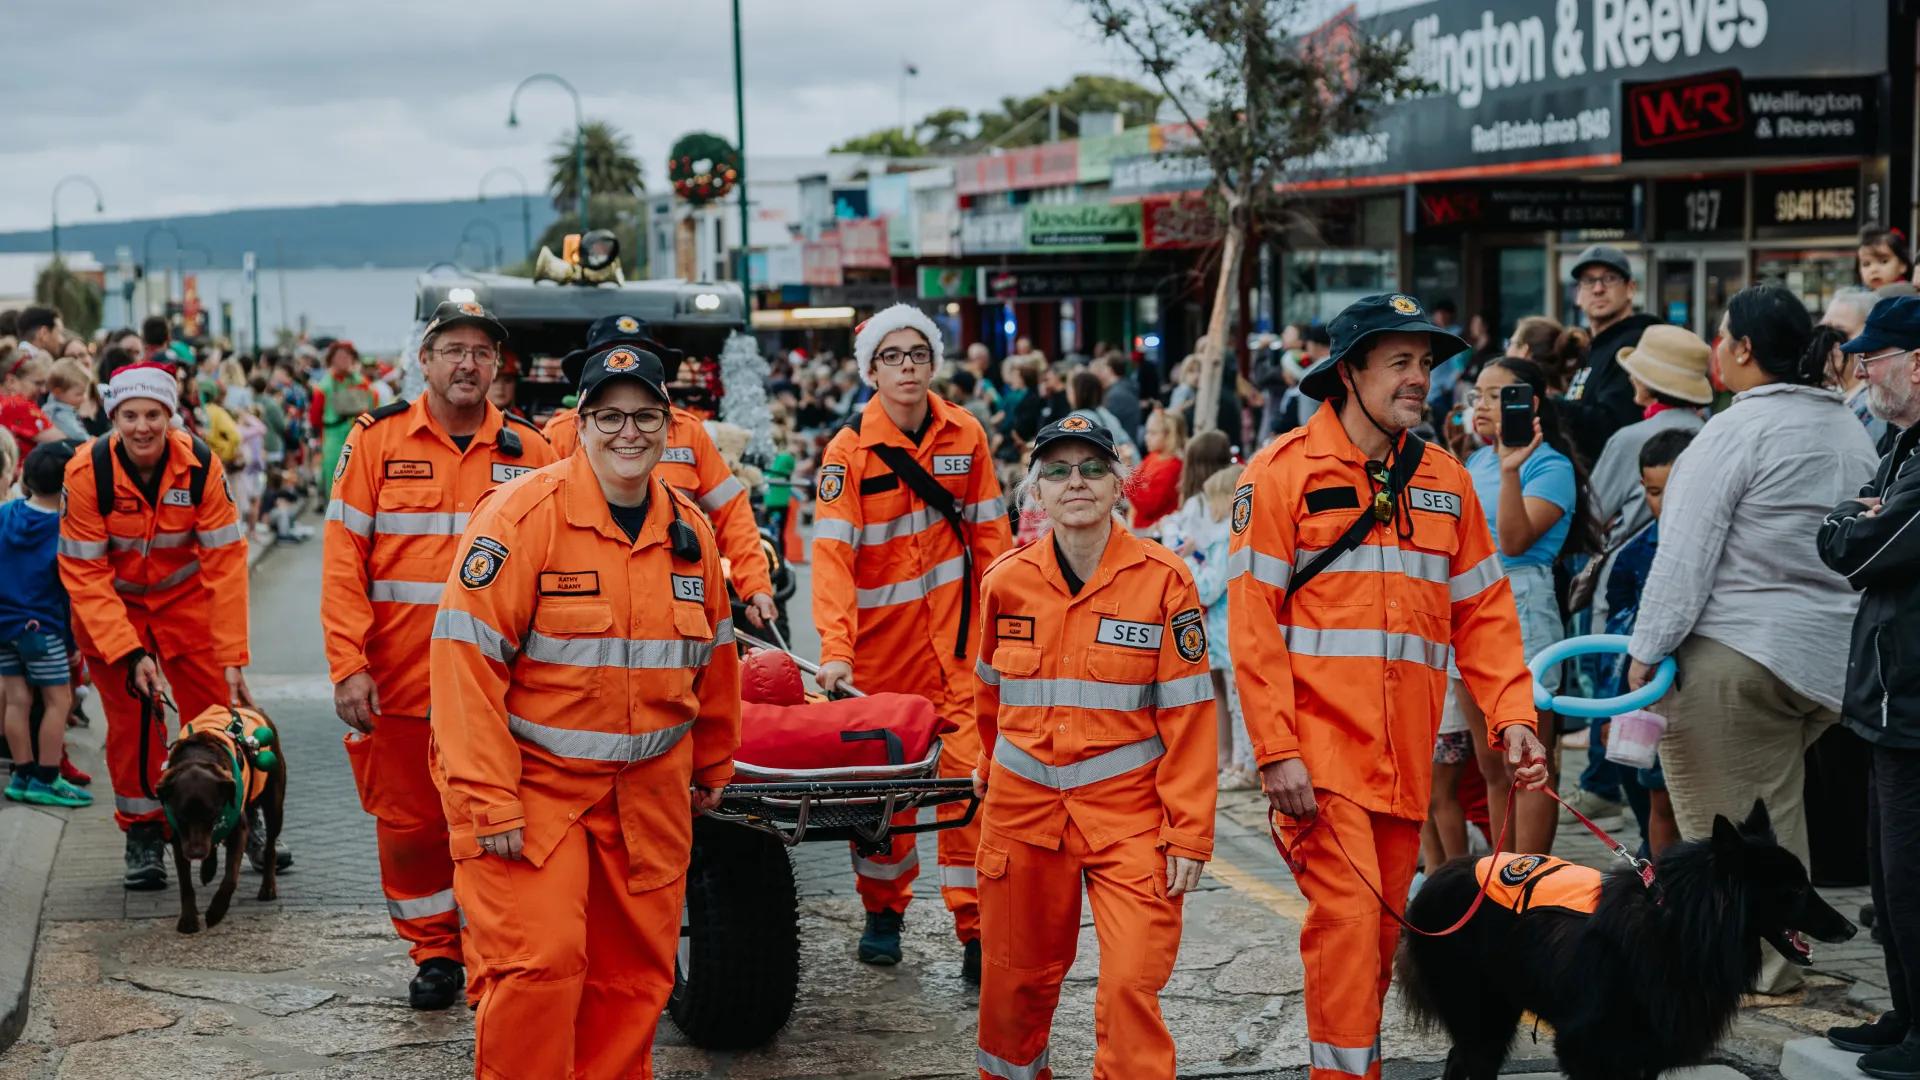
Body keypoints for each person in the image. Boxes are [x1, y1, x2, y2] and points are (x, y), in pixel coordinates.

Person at [1230, 293, 1547, 1080]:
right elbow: (1252, 626)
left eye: (1427, 364)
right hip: (1319, 761)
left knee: (1375, 935)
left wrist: (1513, 717)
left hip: (1405, 768)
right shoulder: (1280, 474)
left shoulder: (1445, 480)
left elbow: (1483, 615)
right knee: (1346, 925)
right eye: (1400, 362)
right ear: (1349, 372)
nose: (1421, 379)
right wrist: (1275, 751)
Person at [430, 342, 741, 1078]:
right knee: (539, 968)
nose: (627, 434)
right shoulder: (522, 518)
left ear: (671, 427)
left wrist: (716, 761)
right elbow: (465, 666)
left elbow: (716, 662)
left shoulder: (691, 536)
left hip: (649, 797)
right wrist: (488, 800)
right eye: (608, 417)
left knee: (631, 983)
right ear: (579, 424)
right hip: (535, 793)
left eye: (644, 417)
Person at [1626, 283, 1878, 996]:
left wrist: (1643, 654)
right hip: (1827, 660)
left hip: (1737, 658)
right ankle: (1780, 955)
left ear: (1741, 349)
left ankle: (1756, 964)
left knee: (1730, 839)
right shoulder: (1844, 427)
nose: (1714, 349)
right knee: (1773, 814)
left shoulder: (1736, 431)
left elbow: (1682, 562)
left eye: (1720, 336)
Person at [321, 299, 557, 1010]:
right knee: (411, 828)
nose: (468, 363)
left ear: (496, 367)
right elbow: (342, 563)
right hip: (399, 682)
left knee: (497, 822)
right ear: (423, 361)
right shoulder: (375, 443)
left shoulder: (532, 451)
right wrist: (347, 665)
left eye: (482, 353)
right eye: (453, 349)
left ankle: (494, 950)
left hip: (503, 689)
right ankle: (434, 953)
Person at [970, 411, 1216, 1080]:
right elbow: (986, 699)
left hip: (1129, 818)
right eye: (1056, 470)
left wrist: (1190, 832)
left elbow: (1191, 715)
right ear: (1037, 492)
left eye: (1091, 468)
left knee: (1132, 983)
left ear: (1118, 486)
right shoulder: (1004, 584)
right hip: (1022, 816)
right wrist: (986, 768)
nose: (1073, 481)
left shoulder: (1164, 581)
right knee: (1013, 988)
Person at [811, 303, 1012, 978]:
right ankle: (883, 909)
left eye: (917, 355)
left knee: (970, 791)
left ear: (934, 363)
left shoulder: (967, 436)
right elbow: (833, 561)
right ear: (871, 371)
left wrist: (1008, 636)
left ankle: (979, 930)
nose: (906, 367)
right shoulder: (847, 454)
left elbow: (994, 543)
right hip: (880, 663)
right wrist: (835, 652)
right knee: (882, 801)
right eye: (891, 357)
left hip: (960, 656)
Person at [58, 362, 254, 890]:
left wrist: (233, 655)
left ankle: (240, 818)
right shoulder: (85, 473)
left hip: (185, 607)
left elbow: (226, 563)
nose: (142, 426)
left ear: (170, 416)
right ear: (113, 417)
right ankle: (144, 835)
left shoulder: (201, 468)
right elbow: (84, 572)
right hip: (111, 615)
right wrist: (128, 653)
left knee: (220, 719)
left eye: (152, 414)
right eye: (130, 415)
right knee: (133, 728)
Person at [1817, 294, 1920, 1074]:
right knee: (1889, 884)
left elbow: (1857, 550)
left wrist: (1860, 523)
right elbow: (1844, 530)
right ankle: (1906, 1013)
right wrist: (1859, 520)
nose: (1862, 370)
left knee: (1912, 880)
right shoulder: (1900, 444)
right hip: (1890, 698)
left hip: (1913, 705)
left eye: (1873, 356)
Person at [543, 315, 777, 630]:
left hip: (678, 597)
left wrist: (756, 587)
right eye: (615, 357)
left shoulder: (690, 432)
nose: (626, 366)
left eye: (638, 357)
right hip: (587, 598)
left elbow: (733, 512)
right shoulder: (560, 433)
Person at [1566, 325, 1711, 823]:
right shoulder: (1713, 432)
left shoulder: (1632, 436)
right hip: (1703, 600)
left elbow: (1595, 509)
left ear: (1648, 383)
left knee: (1621, 694)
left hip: (1628, 598)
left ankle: (1607, 784)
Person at [1457, 356, 1584, 854]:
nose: (1482, 406)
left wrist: (1511, 468)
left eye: (1495, 395)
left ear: (1526, 403)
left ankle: (1529, 880)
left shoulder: (1549, 465)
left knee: (1526, 761)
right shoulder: (1474, 461)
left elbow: (1512, 540)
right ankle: (1500, 879)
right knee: (1490, 764)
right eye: (1478, 395)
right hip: (1470, 605)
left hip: (1521, 602)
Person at [1597, 428, 1691, 859]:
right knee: (1653, 796)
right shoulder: (1634, 554)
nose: (1664, 502)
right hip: (1644, 700)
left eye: (1673, 489)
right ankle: (1661, 888)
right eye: (1654, 492)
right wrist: (1611, 707)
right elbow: (1618, 639)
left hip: (1693, 695)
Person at [1, 442, 89, 807]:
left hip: (4, 625)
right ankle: (48, 777)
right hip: (44, 629)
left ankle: (20, 773)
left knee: (16, 700)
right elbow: (68, 591)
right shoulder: (64, 529)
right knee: (58, 701)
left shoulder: (6, 514)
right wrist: (73, 643)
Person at [1559, 245, 1662, 463]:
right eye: (1588, 281)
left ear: (1631, 288)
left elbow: (1611, 426)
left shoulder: (1634, 344)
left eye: (1610, 278)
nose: (1598, 289)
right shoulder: (1594, 347)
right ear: (1578, 295)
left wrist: (1550, 406)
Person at [312, 340, 375, 492]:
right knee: (334, 479)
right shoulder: (324, 386)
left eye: (347, 356)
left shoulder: (362, 383)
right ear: (331, 359)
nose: (344, 360)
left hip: (359, 436)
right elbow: (315, 417)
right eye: (340, 356)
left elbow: (373, 409)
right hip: (333, 438)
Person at [1129, 406, 1186, 531]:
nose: (1146, 437)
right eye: (1148, 432)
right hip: (1141, 526)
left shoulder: (1173, 467)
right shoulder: (1153, 456)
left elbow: (1148, 507)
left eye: (1153, 433)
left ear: (1170, 435)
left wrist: (1127, 478)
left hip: (1153, 532)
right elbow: (1138, 480)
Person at [1097, 353, 1143, 444]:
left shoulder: (1116, 395)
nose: (1100, 372)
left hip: (1123, 448)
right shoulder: (1124, 387)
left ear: (1109, 370)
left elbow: (1108, 427)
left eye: (1103, 368)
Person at [1860, 226, 1915, 293]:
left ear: (1902, 265)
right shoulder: (1864, 294)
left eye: (1884, 261)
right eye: (1866, 264)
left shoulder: (1907, 294)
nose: (1873, 270)